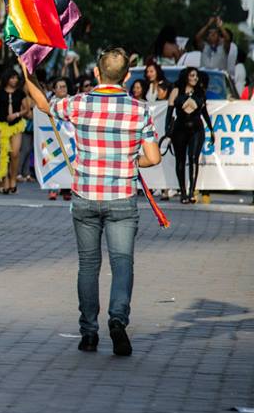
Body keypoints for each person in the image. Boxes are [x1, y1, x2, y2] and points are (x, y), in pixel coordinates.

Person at [22, 48, 161, 356]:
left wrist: (26, 73)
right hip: (122, 198)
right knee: (122, 263)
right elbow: (153, 157)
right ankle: (118, 319)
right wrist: (128, 160)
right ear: (127, 77)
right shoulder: (140, 110)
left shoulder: (80, 103)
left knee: (88, 265)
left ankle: (88, 332)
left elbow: (43, 103)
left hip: (85, 196)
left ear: (97, 74)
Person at [167, 67, 214, 204]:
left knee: (193, 158)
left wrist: (211, 130)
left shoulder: (200, 92)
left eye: (197, 76)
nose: (195, 78)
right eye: (192, 75)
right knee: (180, 160)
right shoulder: (176, 91)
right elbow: (169, 113)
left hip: (197, 130)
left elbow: (204, 113)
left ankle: (191, 191)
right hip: (179, 129)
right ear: (186, 77)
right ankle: (183, 192)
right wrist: (167, 131)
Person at [0, 69, 31, 194]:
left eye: (16, 78)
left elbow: (26, 109)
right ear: (6, 79)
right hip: (2, 126)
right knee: (3, 154)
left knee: (15, 153)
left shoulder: (20, 93)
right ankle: (5, 181)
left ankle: (13, 179)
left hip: (16, 125)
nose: (15, 80)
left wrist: (17, 114)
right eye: (12, 78)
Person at [45, 77, 72, 201]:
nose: (62, 89)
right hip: (54, 139)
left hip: (69, 139)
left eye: (64, 86)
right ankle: (53, 189)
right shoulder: (49, 104)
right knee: (54, 161)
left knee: (68, 162)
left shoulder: (72, 101)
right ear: (54, 90)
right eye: (59, 87)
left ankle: (67, 189)